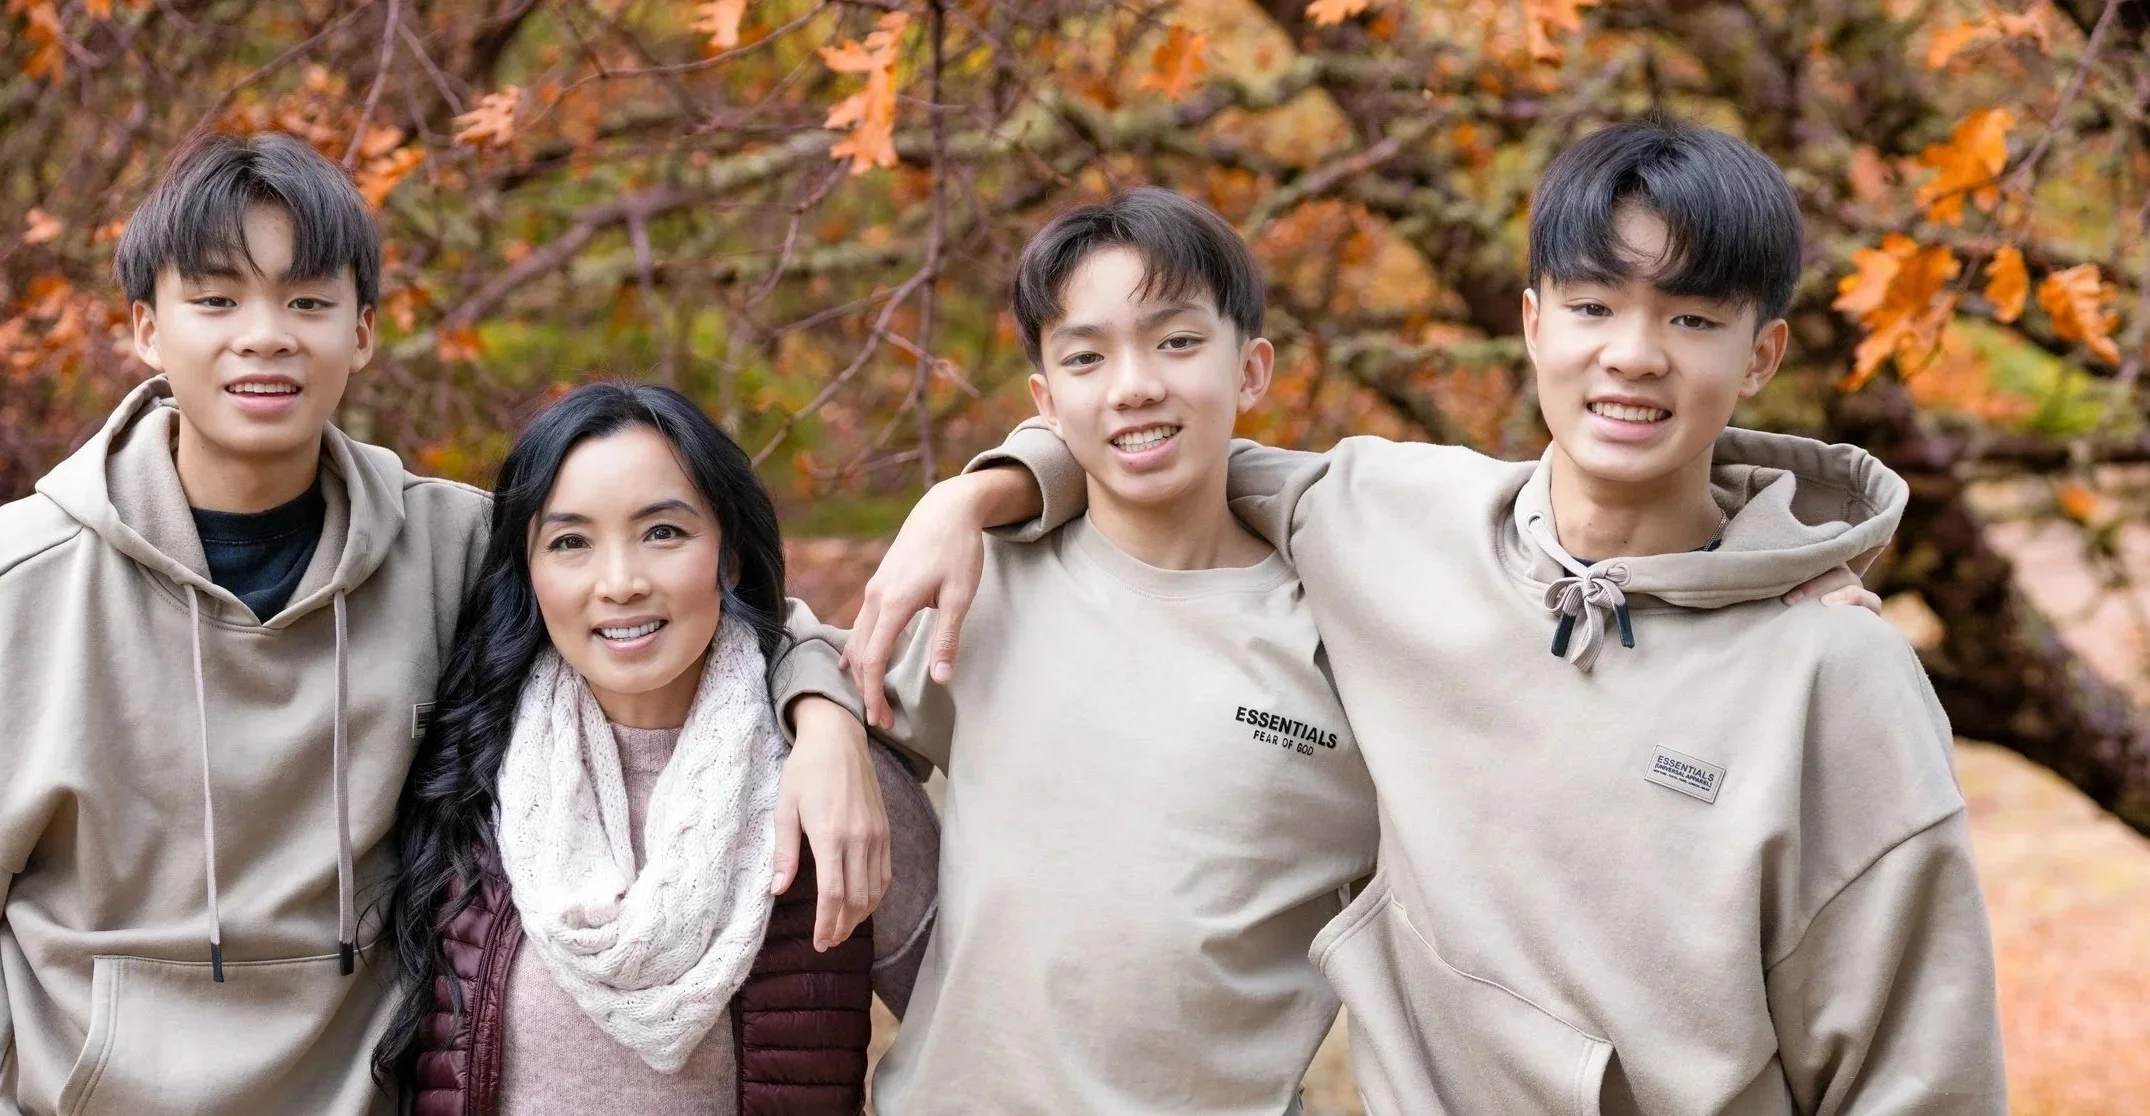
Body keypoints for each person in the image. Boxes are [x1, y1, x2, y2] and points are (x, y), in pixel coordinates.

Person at [848, 118, 2006, 1113]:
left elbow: (1920, 1067)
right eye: (1594, 305)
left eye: (1692, 320)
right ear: (1533, 323)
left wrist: (1782, 595)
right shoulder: (1392, 522)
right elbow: (1162, 443)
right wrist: (976, 493)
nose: (1633, 356)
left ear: (1761, 357)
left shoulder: (1835, 674)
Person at [0, 132, 892, 1116]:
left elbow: (676, 600)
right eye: (215, 299)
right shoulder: (13, 583)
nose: (265, 336)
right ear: (144, 327)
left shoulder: (448, 550)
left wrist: (822, 708)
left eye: (307, 299)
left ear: (363, 329)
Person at [769, 187, 1385, 1115]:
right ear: (1046, 401)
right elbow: (792, 651)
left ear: (1252, 369)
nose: (1135, 384)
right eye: (1088, 356)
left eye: (1177, 342)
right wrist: (824, 728)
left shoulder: (1344, 638)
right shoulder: (984, 586)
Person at [371, 381, 938, 1115]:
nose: (621, 583)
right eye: (571, 542)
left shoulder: (831, 780)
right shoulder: (467, 773)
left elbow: (979, 1029)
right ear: (530, 573)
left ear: (728, 556)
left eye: (664, 532)